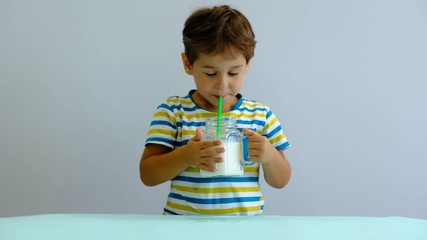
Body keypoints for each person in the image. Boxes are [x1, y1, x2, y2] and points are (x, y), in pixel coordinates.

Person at [139, 5, 291, 215]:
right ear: (188, 64)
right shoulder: (173, 112)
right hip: (183, 228)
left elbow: (281, 180)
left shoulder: (260, 116)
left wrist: (270, 157)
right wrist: (185, 156)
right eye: (210, 73)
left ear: (247, 65)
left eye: (233, 72)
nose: (222, 84)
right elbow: (147, 175)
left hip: (244, 230)